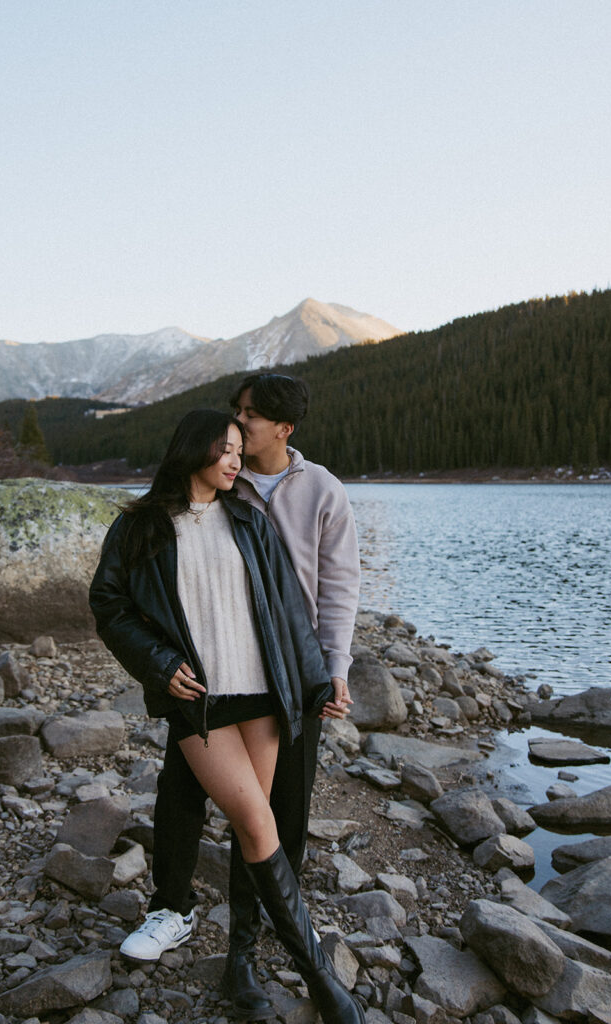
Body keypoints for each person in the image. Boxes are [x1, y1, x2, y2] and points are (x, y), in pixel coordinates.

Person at [89, 409, 364, 1024]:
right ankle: (319, 976)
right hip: (199, 701)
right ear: (195, 450)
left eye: (241, 450)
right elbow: (108, 606)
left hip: (261, 696)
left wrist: (319, 682)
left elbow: (290, 607)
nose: (237, 460)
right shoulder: (140, 526)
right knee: (252, 818)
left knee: (255, 824)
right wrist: (158, 664)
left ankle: (247, 952)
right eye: (226, 449)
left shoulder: (248, 518)